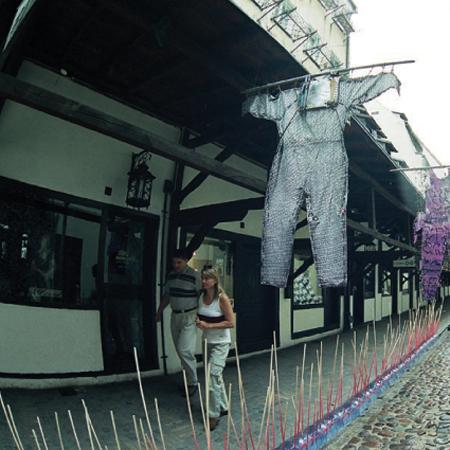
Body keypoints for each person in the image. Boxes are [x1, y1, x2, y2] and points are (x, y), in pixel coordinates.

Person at [155, 248, 201, 397]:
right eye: (174, 262)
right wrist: (159, 311)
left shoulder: (194, 275)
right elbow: (167, 295)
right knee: (180, 350)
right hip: (175, 316)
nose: (176, 265)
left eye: (179, 262)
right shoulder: (171, 275)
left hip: (190, 315)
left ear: (186, 261)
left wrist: (202, 315)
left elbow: (200, 295)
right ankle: (188, 381)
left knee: (184, 350)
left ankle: (193, 383)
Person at [195, 265, 234, 431]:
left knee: (212, 376)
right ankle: (223, 406)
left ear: (215, 280)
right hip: (207, 342)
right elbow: (200, 315)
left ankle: (213, 415)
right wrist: (199, 322)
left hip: (221, 343)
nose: (204, 281)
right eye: (202, 278)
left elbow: (230, 322)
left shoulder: (222, 298)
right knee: (214, 376)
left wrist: (209, 325)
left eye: (207, 278)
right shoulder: (200, 296)